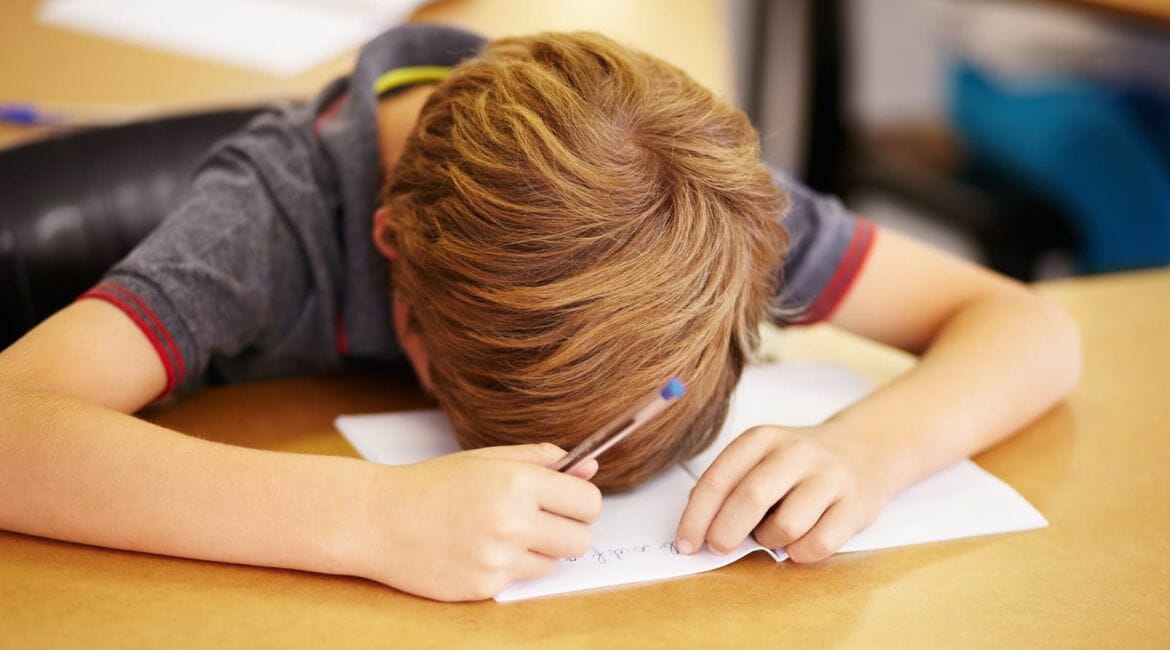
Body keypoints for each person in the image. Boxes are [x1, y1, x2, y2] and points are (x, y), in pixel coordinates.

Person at [0, 24, 1080, 602]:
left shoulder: (681, 197)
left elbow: (1028, 324)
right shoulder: (271, 217)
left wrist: (870, 450)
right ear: (395, 265)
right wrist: (372, 519)